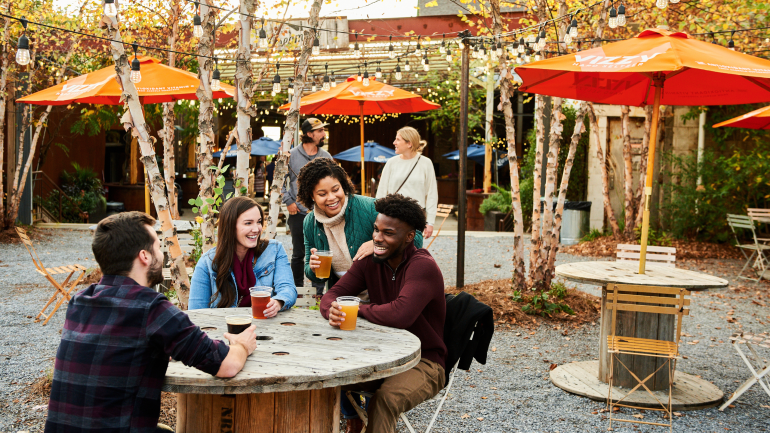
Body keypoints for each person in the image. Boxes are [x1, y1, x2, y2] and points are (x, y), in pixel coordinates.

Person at [45, 212, 258, 433]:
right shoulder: (151, 307)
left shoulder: (80, 301)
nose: (161, 254)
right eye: (158, 247)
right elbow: (227, 365)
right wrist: (242, 345)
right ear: (145, 256)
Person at [320, 194, 446, 433]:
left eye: (388, 233)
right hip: (378, 355)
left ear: (410, 237)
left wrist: (356, 309)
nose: (377, 238)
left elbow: (400, 314)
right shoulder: (370, 260)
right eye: (376, 230)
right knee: (324, 379)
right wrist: (332, 311)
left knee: (385, 399)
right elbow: (331, 295)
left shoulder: (422, 266)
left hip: (424, 362)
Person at [298, 158, 423, 290]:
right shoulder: (310, 222)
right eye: (322, 194)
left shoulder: (370, 207)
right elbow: (313, 273)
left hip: (383, 293)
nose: (331, 197)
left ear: (343, 185)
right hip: (344, 297)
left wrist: (378, 244)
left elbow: (416, 237)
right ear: (312, 196)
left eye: (336, 190)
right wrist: (313, 268)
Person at [190, 196, 296, 314]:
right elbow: (196, 313)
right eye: (248, 223)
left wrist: (278, 302)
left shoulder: (274, 250)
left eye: (259, 222)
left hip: (265, 326)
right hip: (225, 329)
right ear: (230, 226)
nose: (256, 229)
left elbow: (288, 288)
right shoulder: (208, 262)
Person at [283, 117, 332, 295]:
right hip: (298, 213)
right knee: (298, 254)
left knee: (321, 252)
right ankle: (296, 290)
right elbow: (280, 181)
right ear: (309, 134)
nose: (323, 134)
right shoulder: (291, 155)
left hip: (321, 214)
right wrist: (288, 201)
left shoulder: (326, 157)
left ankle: (319, 291)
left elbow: (334, 181)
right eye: (319, 131)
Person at [376, 126, 438, 238]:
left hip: (416, 216)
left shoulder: (426, 163)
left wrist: (430, 222)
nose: (394, 142)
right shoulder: (391, 163)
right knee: (394, 250)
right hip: (392, 215)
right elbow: (381, 193)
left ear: (409, 143)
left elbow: (432, 194)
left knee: (415, 251)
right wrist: (377, 216)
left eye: (398, 139)